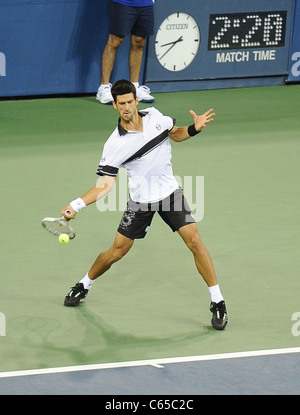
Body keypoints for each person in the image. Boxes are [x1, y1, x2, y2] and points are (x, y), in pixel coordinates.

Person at [62, 79, 228, 330]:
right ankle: (84, 284)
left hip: (170, 193)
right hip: (140, 202)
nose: (126, 107)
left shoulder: (155, 117)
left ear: (136, 100)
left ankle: (217, 301)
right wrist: (76, 205)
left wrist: (193, 129)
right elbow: (104, 185)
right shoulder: (114, 145)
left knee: (194, 241)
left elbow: (177, 134)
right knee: (116, 252)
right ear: (115, 106)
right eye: (121, 104)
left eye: (130, 101)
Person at [96, 0, 155, 105]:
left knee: (139, 41)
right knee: (115, 41)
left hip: (146, 4)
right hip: (123, 3)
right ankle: (103, 88)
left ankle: (134, 87)